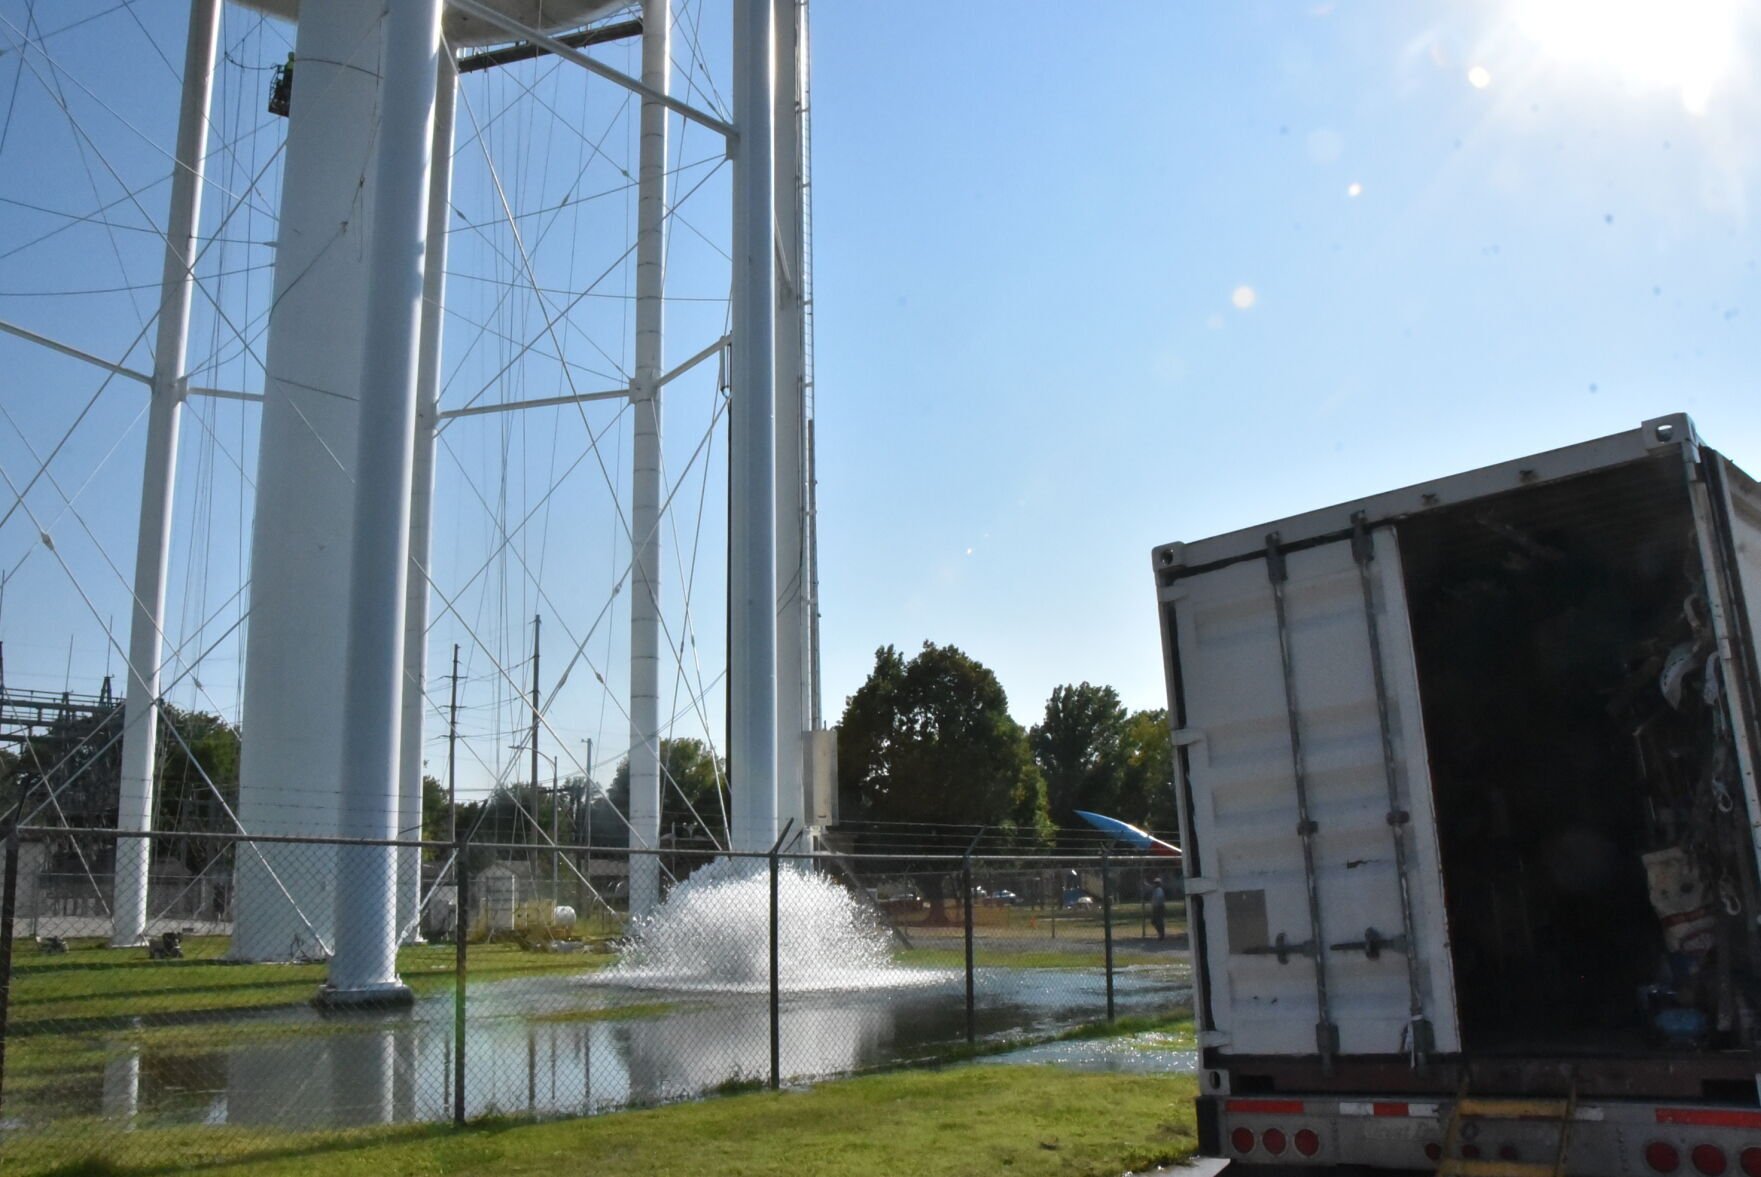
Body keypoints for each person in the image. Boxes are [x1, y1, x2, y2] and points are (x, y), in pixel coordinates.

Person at [1147, 875, 1167, 942]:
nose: (1155, 884)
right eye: (1155, 882)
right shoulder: (1156, 889)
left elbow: (1159, 899)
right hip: (1156, 907)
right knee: (1154, 921)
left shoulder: (1159, 890)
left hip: (1159, 907)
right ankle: (1161, 934)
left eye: (1156, 883)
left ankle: (1161, 935)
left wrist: (1155, 904)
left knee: (1158, 921)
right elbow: (1150, 887)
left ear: (1159, 884)